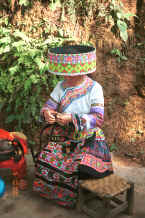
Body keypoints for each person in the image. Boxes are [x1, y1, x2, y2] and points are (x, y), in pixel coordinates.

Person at [33, 45, 113, 208]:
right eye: (64, 73)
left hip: (89, 138)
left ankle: (77, 193)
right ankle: (56, 194)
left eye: (69, 73)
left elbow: (98, 119)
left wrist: (71, 118)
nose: (65, 76)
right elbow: (47, 107)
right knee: (46, 158)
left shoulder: (95, 88)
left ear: (80, 71)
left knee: (82, 166)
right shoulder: (60, 87)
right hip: (64, 137)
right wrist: (47, 113)